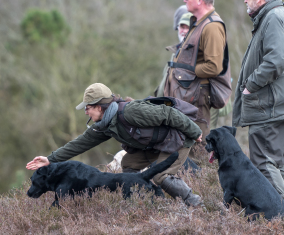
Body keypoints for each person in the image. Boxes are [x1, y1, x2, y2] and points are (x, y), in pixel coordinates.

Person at [26, 83, 204, 207]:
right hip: (154, 145)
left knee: (161, 177)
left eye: (88, 107)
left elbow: (169, 113)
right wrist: (49, 159)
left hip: (177, 140)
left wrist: (195, 132)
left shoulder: (131, 111)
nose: (86, 111)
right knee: (129, 163)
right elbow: (79, 144)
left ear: (100, 107)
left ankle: (194, 203)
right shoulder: (105, 124)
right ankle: (143, 200)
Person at [232, 0, 284, 209]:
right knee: (277, 163)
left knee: (264, 162)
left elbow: (276, 60)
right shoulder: (280, 16)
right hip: (278, 104)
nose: (245, 0)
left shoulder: (272, 18)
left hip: (268, 106)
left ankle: (282, 216)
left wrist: (250, 85)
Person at [163, 0, 229, 163]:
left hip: (197, 99)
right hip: (188, 97)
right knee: (184, 149)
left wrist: (185, 70)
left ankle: (203, 189)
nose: (184, 1)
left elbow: (213, 67)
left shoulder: (212, 26)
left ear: (199, 0)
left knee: (197, 151)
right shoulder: (199, 23)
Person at [155, 10, 193, 97]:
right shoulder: (175, 53)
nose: (184, 31)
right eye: (182, 27)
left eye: (188, 27)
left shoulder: (196, 55)